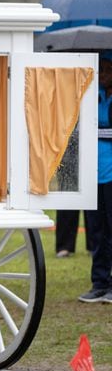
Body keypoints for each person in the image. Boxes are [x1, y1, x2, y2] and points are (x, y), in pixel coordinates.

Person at [79, 52, 112, 303]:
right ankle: (99, 282)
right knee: (97, 232)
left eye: (108, 70)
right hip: (94, 174)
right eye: (100, 70)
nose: (103, 75)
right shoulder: (93, 97)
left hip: (111, 174)